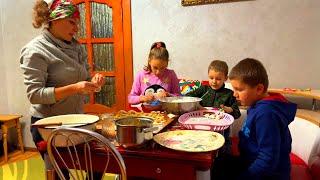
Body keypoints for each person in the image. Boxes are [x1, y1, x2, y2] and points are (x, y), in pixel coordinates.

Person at [20, 0, 105, 178]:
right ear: (54, 19)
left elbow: (85, 79)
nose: (76, 28)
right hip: (49, 127)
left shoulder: (77, 46)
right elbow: (35, 95)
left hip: (77, 122)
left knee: (96, 167)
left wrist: (94, 81)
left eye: (77, 23)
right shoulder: (35, 50)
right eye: (71, 22)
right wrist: (75, 88)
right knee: (60, 175)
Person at [212, 58, 297, 180]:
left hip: (269, 175)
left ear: (259, 89)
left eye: (239, 90)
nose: (235, 94)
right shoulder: (258, 105)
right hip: (250, 162)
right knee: (217, 163)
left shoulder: (266, 114)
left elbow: (268, 159)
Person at [186, 60, 241, 155]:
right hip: (201, 128)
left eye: (218, 79)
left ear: (225, 78)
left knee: (223, 150)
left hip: (222, 131)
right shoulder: (204, 89)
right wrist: (197, 104)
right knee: (202, 149)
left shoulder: (229, 94)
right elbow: (187, 97)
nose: (214, 81)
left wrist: (230, 109)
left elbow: (237, 113)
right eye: (211, 78)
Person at [128, 41, 180, 110]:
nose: (158, 72)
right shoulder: (141, 75)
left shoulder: (171, 75)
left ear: (167, 63)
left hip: (166, 114)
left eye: (162, 68)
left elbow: (179, 97)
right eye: (155, 67)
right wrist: (143, 98)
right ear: (149, 61)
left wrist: (168, 95)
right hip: (146, 114)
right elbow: (131, 98)